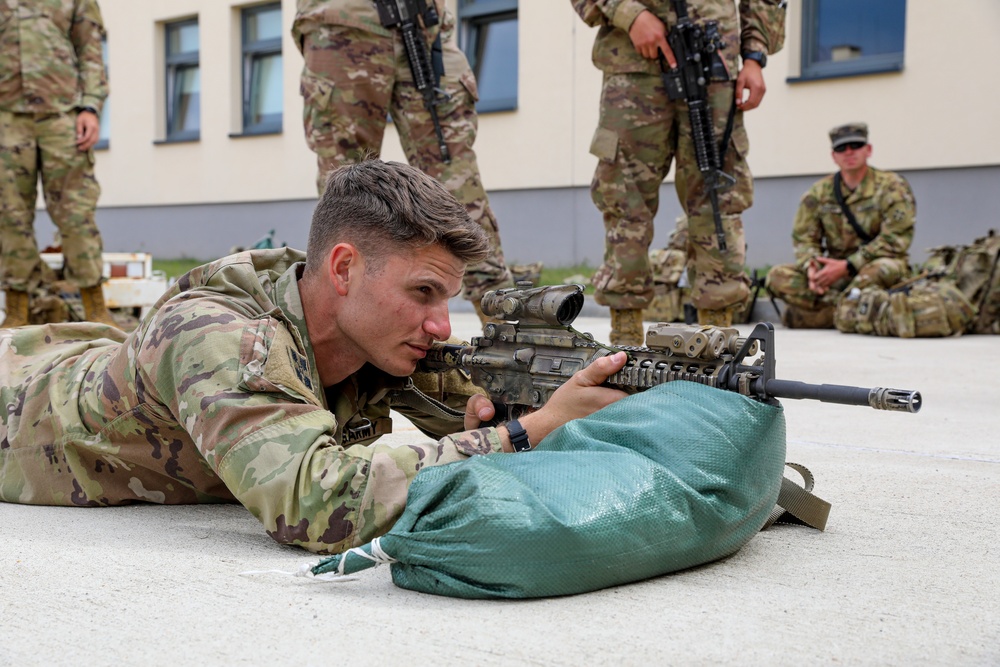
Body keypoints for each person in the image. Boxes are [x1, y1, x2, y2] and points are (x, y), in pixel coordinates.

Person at [0, 159, 629, 554]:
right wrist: (527, 433)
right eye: (422, 293)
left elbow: (495, 409)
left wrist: (525, 411)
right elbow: (314, 506)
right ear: (345, 268)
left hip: (88, 353)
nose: (440, 325)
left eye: (448, 299)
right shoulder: (217, 339)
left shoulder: (377, 340)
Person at [571, 0, 786, 345]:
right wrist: (631, 13)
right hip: (633, 63)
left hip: (713, 63)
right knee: (624, 198)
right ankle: (625, 337)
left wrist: (754, 55)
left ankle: (717, 338)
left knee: (718, 197)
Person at [291, 0, 513, 325]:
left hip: (425, 22)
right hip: (345, 20)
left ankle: (504, 326)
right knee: (348, 192)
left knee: (458, 187)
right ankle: (340, 335)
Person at [0, 0, 116, 328]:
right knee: (9, 215)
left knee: (76, 212)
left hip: (63, 115)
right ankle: (17, 312)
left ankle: (95, 308)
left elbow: (90, 48)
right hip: (5, 117)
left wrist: (90, 108)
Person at [765, 123, 916, 328]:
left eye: (856, 145)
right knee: (777, 277)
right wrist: (812, 267)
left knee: (879, 271)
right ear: (833, 156)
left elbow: (896, 239)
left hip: (878, 266)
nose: (849, 152)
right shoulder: (818, 193)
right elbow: (803, 238)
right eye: (841, 148)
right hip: (833, 274)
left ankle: (824, 315)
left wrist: (848, 265)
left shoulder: (892, 187)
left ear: (868, 150)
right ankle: (851, 311)